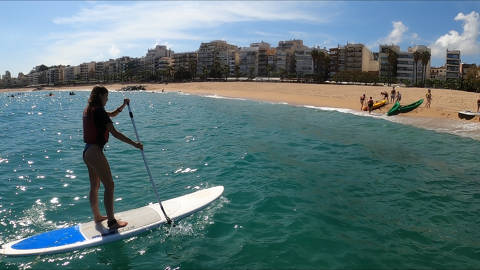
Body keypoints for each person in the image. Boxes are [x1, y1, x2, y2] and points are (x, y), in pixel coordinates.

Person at [83, 86, 143, 230]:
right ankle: (112, 222)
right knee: (109, 185)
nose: (107, 99)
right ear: (100, 96)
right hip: (95, 152)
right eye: (106, 96)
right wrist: (134, 144)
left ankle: (97, 216)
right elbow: (115, 133)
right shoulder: (99, 111)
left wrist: (123, 105)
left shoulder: (90, 109)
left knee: (95, 186)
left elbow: (111, 114)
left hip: (87, 152)